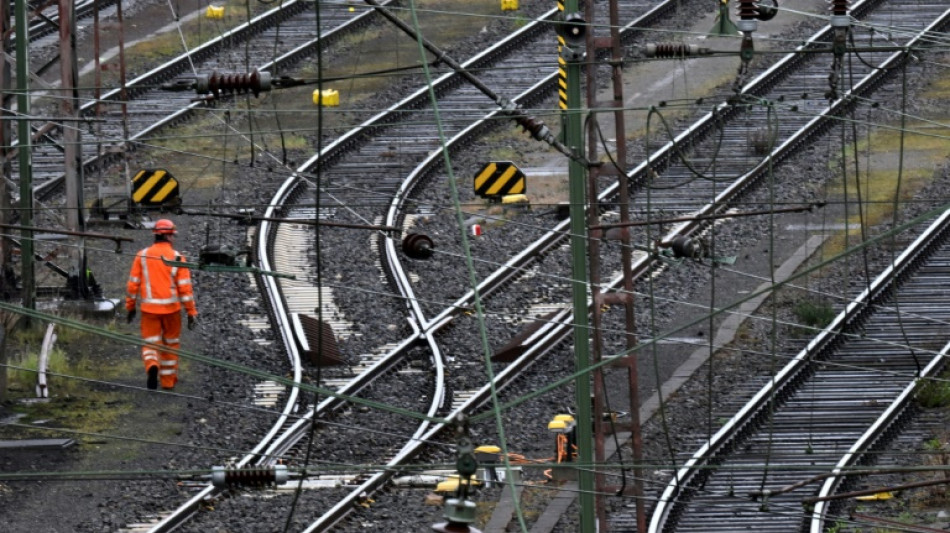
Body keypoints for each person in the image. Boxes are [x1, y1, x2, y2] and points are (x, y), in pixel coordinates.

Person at [126, 218, 198, 390]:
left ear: (155, 236)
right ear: (170, 237)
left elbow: (132, 284)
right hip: (172, 310)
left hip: (149, 309)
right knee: (171, 344)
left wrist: (130, 307)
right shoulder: (178, 258)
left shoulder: (141, 256)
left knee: (151, 342)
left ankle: (152, 365)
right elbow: (185, 290)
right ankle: (167, 381)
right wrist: (191, 312)